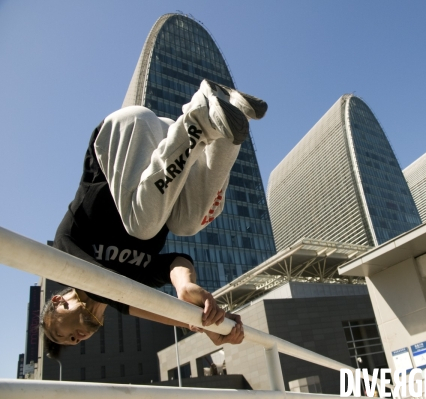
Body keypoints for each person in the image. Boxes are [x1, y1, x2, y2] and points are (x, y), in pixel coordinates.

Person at [41, 79, 268, 357]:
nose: (77, 339)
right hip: (166, 148)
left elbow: (115, 294)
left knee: (143, 228)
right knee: (187, 224)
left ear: (58, 301)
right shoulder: (131, 281)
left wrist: (202, 323)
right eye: (75, 342)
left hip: (122, 135)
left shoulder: (66, 256)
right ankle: (231, 115)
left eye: (61, 334)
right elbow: (175, 262)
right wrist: (185, 286)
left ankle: (199, 113)